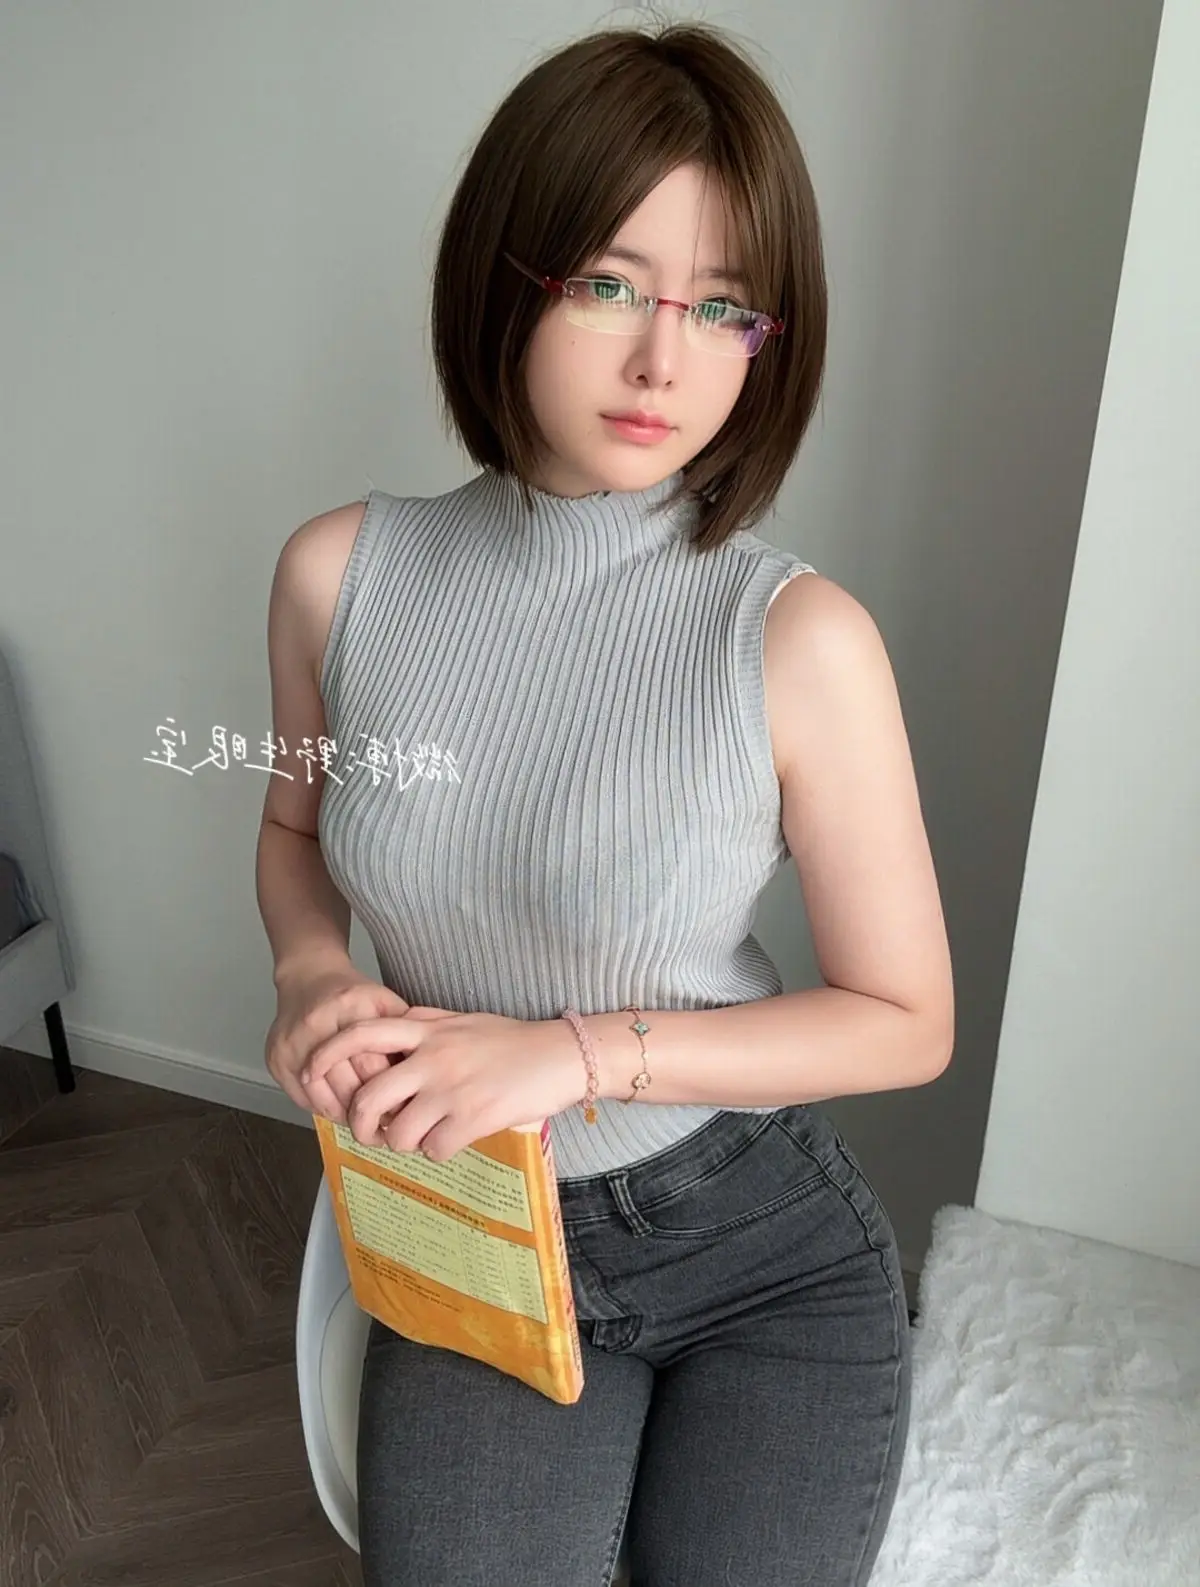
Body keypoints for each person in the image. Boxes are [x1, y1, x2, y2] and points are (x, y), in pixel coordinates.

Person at [258, 18, 954, 1587]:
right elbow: (294, 833)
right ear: (507, 277)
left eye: (724, 307)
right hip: (477, 1225)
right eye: (611, 285)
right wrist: (309, 970)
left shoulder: (799, 639)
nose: (665, 363)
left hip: (756, 1249)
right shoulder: (336, 577)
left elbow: (906, 1019)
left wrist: (574, 1053)